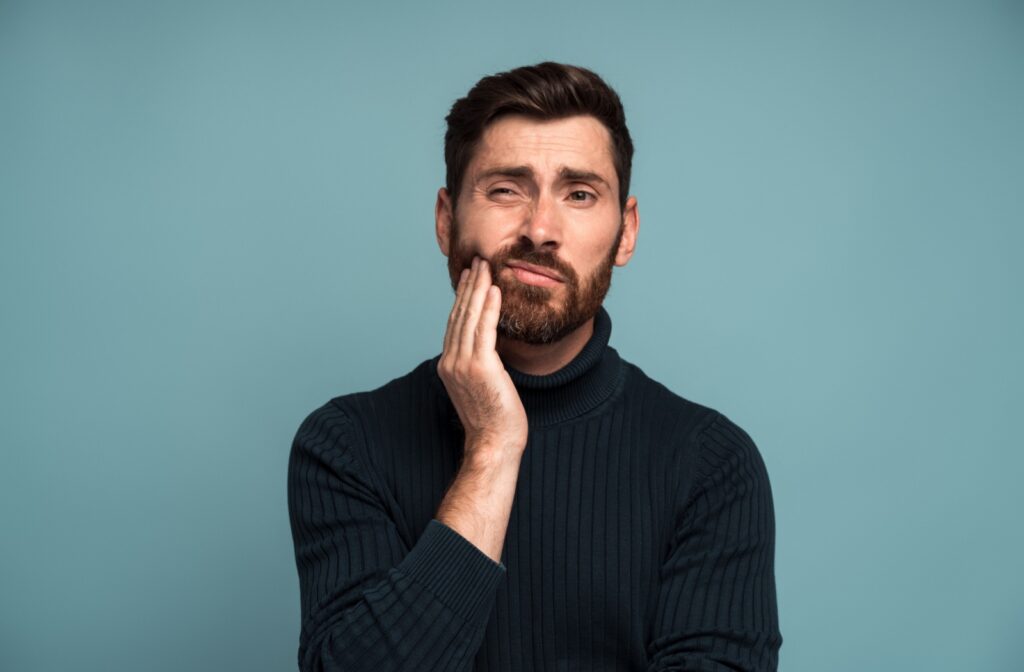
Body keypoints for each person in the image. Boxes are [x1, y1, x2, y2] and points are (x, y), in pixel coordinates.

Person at [287, 62, 782, 671]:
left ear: (625, 233)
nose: (540, 229)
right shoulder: (345, 445)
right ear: (447, 220)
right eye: (506, 189)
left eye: (579, 194)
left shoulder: (711, 465)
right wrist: (493, 448)